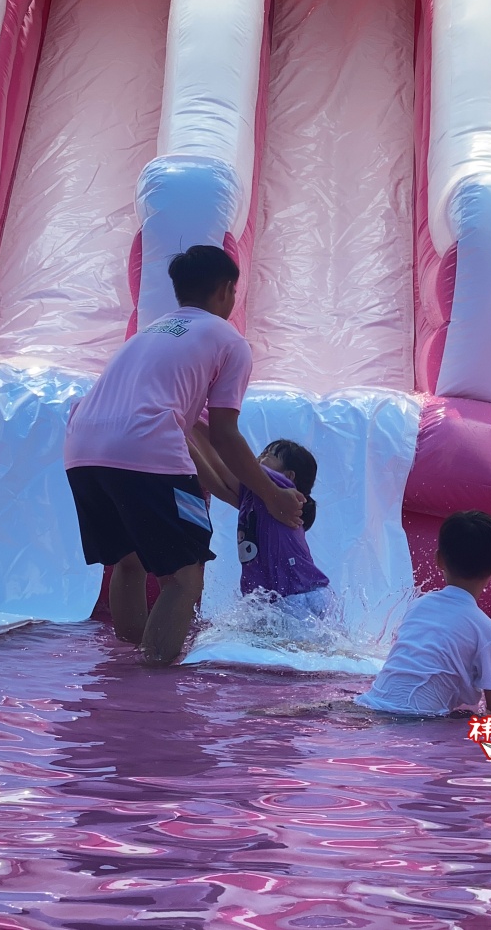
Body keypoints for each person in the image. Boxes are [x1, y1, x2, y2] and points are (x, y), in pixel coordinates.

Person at [64, 245, 305, 666]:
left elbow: (190, 441)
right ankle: (155, 683)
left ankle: (127, 667)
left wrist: (242, 494)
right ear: (228, 291)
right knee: (185, 578)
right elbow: (225, 437)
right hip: (142, 453)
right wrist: (270, 494)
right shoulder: (228, 340)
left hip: (82, 452)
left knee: (129, 562)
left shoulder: (149, 334)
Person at [356, 510, 491, 718]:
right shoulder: (487, 632)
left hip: (368, 704)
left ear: (439, 559)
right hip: (417, 720)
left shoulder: (416, 607)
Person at [192, 437, 332, 622]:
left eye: (268, 455)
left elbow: (226, 464)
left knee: (292, 647)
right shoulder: (255, 497)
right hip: (287, 597)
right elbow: (217, 482)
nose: (258, 458)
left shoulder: (283, 489)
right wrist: (187, 440)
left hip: (298, 596)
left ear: (288, 476)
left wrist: (192, 431)